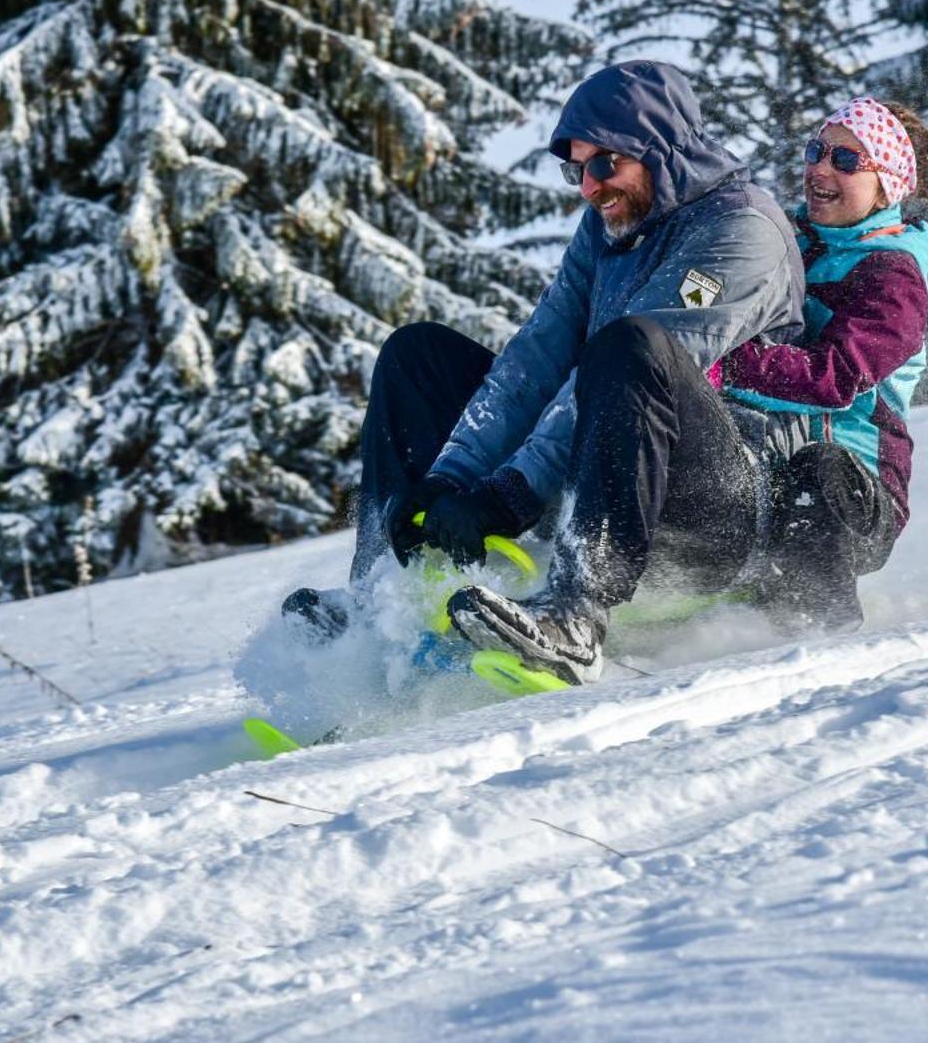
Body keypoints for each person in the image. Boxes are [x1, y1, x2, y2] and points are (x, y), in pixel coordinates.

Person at [281, 60, 805, 684]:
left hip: (717, 504)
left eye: (604, 164)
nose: (588, 186)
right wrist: (452, 476)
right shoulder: (610, 225)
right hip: (609, 472)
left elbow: (623, 371)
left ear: (659, 149)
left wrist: (510, 493)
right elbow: (538, 357)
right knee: (415, 355)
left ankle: (576, 616)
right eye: (576, 170)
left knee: (632, 346)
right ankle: (384, 595)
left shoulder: (742, 232)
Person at [720, 97, 928, 634]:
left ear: (887, 186)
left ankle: (819, 631)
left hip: (855, 494)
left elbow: (835, 378)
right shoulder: (786, 241)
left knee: (815, 472)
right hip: (763, 451)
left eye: (846, 162)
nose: (820, 168)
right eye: (816, 151)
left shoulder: (893, 276)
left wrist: (726, 365)